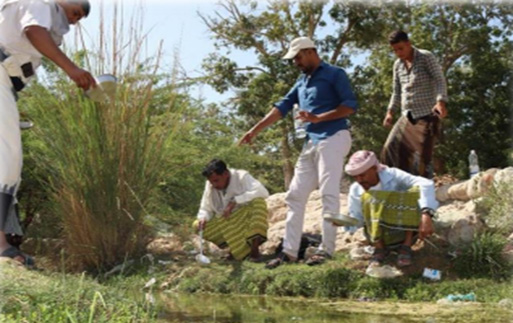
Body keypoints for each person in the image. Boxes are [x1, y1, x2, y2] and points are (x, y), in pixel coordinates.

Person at [239, 37, 358, 268]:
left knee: (328, 193)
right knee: (295, 195)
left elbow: (350, 106)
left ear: (311, 51)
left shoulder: (335, 73)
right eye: (293, 59)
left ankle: (327, 250)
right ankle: (289, 252)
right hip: (311, 141)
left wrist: (318, 118)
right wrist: (255, 130)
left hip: (334, 136)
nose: (296, 62)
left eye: (298, 57)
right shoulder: (302, 81)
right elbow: (281, 107)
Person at [0, 0, 96, 266]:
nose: (76, 20)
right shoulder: (41, 3)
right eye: (76, 12)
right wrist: (72, 69)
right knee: (7, 162)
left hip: (6, 82)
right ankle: (0, 245)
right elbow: (34, 30)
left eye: (79, 19)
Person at [343, 150, 438, 267]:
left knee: (411, 193)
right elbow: (358, 218)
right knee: (369, 200)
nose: (359, 180)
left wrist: (426, 214)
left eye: (362, 175)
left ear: (374, 168)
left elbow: (425, 184)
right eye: (355, 177)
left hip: (404, 231)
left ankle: (405, 247)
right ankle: (380, 249)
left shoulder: (393, 175)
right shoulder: (356, 189)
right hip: (378, 235)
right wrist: (344, 222)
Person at [381, 30, 448, 179]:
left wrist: (441, 102)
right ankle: (394, 183)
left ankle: (424, 189)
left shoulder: (425, 57)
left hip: (427, 114)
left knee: (422, 156)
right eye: (395, 50)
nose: (398, 53)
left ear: (408, 44)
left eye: (401, 48)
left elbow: (439, 79)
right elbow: (396, 91)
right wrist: (390, 112)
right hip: (407, 115)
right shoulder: (397, 65)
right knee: (390, 147)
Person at [194, 159, 270, 261]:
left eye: (216, 180)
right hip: (225, 221)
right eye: (211, 182)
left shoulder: (241, 176)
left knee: (258, 203)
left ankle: (254, 251)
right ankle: (234, 249)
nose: (214, 185)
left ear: (225, 174)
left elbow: (262, 192)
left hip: (243, 217)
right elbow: (205, 207)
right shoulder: (210, 185)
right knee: (197, 226)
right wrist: (203, 218)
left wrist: (235, 201)